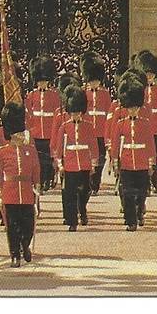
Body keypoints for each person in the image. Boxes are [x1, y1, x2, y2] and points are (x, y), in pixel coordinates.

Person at [0, 103, 41, 267]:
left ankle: (24, 245)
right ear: (12, 135)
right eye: (19, 133)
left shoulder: (30, 150)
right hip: (10, 192)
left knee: (28, 225)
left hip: (26, 191)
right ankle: (15, 255)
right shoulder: (3, 152)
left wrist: (38, 184)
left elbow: (35, 168)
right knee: (12, 227)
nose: (23, 135)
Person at [111, 76, 157, 231]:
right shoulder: (120, 124)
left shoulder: (145, 124)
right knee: (128, 193)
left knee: (142, 192)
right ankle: (131, 221)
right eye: (130, 108)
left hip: (142, 162)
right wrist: (115, 162)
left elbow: (150, 144)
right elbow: (116, 145)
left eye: (135, 107)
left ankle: (139, 213)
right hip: (127, 163)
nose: (132, 110)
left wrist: (151, 163)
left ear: (138, 107)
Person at [51, 86, 96, 231]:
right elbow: (59, 147)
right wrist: (60, 164)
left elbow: (93, 145)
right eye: (73, 113)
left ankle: (82, 210)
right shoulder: (64, 127)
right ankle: (72, 221)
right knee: (70, 194)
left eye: (77, 113)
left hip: (84, 164)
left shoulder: (88, 126)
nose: (75, 116)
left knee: (84, 191)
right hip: (70, 164)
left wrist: (93, 163)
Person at [133, 50, 157, 194]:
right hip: (143, 127)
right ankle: (146, 181)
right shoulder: (138, 89)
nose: (149, 76)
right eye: (147, 74)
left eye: (151, 74)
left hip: (156, 127)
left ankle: (154, 178)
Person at [25, 56, 60, 192]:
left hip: (50, 132)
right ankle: (40, 180)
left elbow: (57, 114)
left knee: (48, 160)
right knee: (38, 160)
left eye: (44, 81)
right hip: (36, 132)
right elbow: (28, 114)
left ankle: (47, 179)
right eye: (40, 81)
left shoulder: (55, 95)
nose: (42, 84)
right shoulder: (31, 95)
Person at [81, 52, 112, 196]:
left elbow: (108, 114)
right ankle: (88, 181)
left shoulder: (105, 94)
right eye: (91, 80)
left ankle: (96, 182)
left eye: (96, 80)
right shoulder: (83, 93)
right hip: (87, 131)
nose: (94, 83)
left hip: (101, 131)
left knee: (100, 158)